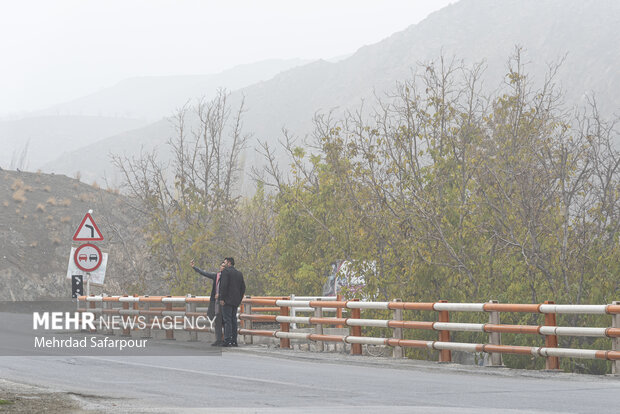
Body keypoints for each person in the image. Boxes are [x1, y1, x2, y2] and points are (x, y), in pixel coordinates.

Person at [190, 259, 225, 346]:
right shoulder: (216, 276)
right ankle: (218, 339)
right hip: (215, 302)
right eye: (221, 266)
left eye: (223, 266)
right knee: (214, 318)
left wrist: (220, 295)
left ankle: (225, 339)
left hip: (224, 302)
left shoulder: (228, 277)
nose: (222, 267)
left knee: (224, 321)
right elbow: (205, 273)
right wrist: (195, 267)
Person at [219, 257, 245, 347]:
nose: (224, 263)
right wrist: (239, 299)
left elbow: (223, 286)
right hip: (235, 301)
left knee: (227, 321)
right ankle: (234, 340)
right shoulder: (239, 274)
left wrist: (222, 298)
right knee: (234, 320)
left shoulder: (226, 272)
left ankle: (227, 340)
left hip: (227, 301)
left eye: (225, 262)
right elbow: (243, 288)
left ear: (229, 263)